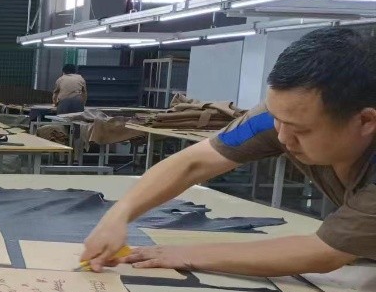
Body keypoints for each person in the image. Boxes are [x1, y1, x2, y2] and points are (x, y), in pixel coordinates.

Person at [81, 27, 376, 277]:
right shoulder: (283, 116)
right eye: (277, 118)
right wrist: (118, 215)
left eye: (301, 130)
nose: (282, 136)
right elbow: (195, 162)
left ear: (365, 121)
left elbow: (324, 251)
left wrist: (188, 254)